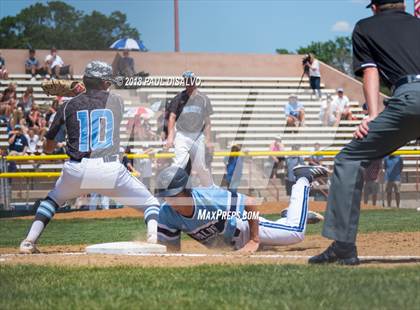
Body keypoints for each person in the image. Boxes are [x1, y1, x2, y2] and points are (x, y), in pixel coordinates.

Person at [310, 0, 420, 266]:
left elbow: (370, 72)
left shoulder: (365, 27)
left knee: (348, 159)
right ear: (403, 4)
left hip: (409, 98)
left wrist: (372, 115)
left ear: (374, 7)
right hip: (410, 99)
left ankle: (344, 247)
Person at [19, 61, 160, 254]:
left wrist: (74, 96)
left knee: (51, 201)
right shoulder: (117, 102)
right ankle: (153, 237)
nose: (109, 84)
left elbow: (49, 147)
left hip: (76, 170)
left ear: (85, 80)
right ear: (103, 82)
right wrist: (82, 91)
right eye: (107, 82)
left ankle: (28, 241)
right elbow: (97, 101)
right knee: (151, 203)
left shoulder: (67, 106)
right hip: (109, 170)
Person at [156, 165, 327, 252]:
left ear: (186, 191)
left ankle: (303, 178)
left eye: (174, 196)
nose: (169, 201)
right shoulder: (165, 213)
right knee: (275, 245)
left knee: (296, 233)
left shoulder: (210, 198)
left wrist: (254, 240)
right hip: (235, 246)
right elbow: (171, 251)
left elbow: (249, 202)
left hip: (245, 227)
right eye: (166, 196)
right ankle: (293, 214)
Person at [165, 71, 213, 187]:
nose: (189, 84)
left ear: (195, 82)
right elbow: (172, 117)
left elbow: (207, 122)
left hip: (197, 136)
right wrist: (170, 137)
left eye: (190, 81)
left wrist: (208, 139)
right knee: (179, 164)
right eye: (186, 81)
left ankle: (210, 188)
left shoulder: (203, 99)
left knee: (200, 166)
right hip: (182, 135)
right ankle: (173, 191)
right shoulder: (179, 97)